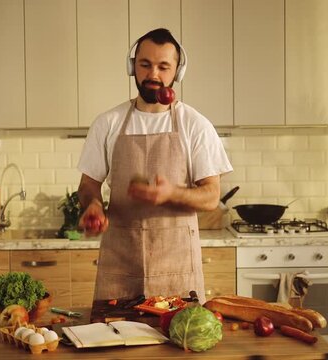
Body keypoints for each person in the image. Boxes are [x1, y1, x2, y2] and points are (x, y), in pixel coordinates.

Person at [76, 28, 232, 304]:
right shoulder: (107, 123)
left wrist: (172, 193)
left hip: (177, 269)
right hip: (119, 268)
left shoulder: (195, 125)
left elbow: (211, 196)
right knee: (115, 342)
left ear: (177, 72)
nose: (153, 75)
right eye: (145, 65)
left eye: (163, 67)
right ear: (132, 66)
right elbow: (89, 184)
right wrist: (93, 206)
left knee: (176, 343)